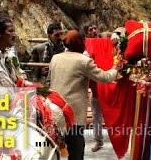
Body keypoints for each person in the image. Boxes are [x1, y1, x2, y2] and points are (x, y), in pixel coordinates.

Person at [48, 29, 118, 159]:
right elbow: (105, 78)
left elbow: (48, 80)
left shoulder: (55, 58)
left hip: (54, 111)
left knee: (55, 150)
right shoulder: (84, 61)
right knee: (76, 151)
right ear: (80, 42)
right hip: (73, 115)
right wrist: (116, 67)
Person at [82, 21, 105, 152]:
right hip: (96, 87)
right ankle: (99, 141)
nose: (94, 31)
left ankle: (120, 138)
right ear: (87, 33)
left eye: (96, 28)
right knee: (96, 115)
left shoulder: (105, 42)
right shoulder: (85, 48)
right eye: (91, 29)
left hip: (109, 87)